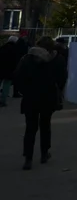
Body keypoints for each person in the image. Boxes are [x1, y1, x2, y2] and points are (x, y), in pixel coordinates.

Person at [13, 37, 65, 170]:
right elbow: (62, 78)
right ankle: (44, 153)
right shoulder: (56, 59)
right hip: (48, 98)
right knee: (45, 125)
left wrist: (25, 91)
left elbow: (18, 77)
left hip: (30, 98)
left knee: (30, 128)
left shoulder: (27, 58)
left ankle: (28, 158)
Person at [0, 36, 19, 107]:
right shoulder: (15, 49)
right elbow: (16, 61)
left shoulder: (2, 47)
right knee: (6, 86)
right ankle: (2, 101)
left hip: (1, 69)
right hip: (9, 71)